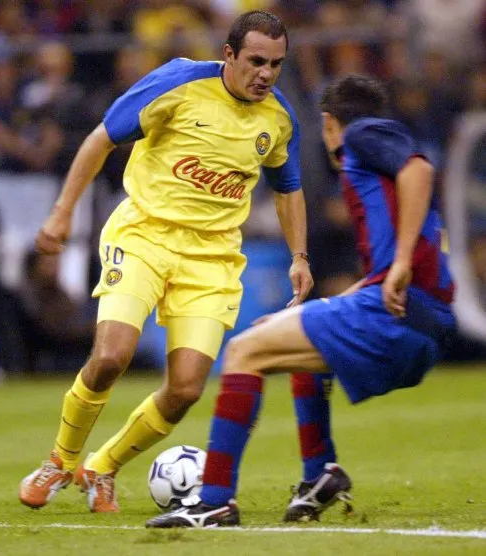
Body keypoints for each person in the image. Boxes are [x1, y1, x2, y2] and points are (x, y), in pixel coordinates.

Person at [18, 10, 313, 513]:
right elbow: (100, 139)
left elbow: (288, 189)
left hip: (213, 258)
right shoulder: (179, 82)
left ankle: (102, 466)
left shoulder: (278, 118)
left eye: (276, 64)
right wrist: (62, 214)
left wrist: (299, 256)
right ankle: (60, 461)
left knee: (186, 388)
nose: (266, 73)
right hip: (144, 235)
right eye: (256, 61)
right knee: (111, 356)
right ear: (229, 54)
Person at [146, 74, 456, 529]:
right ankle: (320, 475)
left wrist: (404, 260)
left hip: (398, 312)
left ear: (329, 122)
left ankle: (213, 501)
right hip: (419, 318)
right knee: (293, 343)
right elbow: (387, 261)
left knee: (243, 352)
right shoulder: (378, 167)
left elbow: (421, 170)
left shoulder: (362, 134)